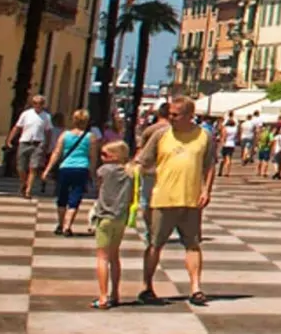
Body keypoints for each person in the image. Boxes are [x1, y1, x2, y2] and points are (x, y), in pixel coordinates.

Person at [137, 96, 216, 307]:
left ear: (190, 116)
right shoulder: (161, 134)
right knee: (155, 244)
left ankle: (196, 288)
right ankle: (147, 286)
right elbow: (143, 161)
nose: (170, 118)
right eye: (170, 113)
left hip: (191, 199)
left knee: (192, 244)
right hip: (163, 198)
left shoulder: (204, 136)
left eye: (175, 114)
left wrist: (206, 190)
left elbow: (209, 165)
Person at [89, 139, 135, 310]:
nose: (101, 157)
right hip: (121, 218)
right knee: (115, 257)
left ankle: (102, 296)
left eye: (105, 154)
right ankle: (115, 293)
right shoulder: (130, 172)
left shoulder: (104, 170)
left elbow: (98, 185)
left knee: (102, 257)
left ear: (115, 156)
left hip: (105, 216)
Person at [45, 110, 101, 236]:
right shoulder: (90, 137)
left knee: (62, 197)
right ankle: (67, 226)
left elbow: (56, 153)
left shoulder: (65, 135)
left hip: (65, 168)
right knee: (75, 197)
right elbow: (93, 157)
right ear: (86, 121)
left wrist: (47, 169)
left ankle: (60, 224)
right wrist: (92, 174)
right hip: (82, 169)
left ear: (73, 120)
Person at [136, 101, 172, 246]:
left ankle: (149, 228)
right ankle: (159, 229)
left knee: (146, 201)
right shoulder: (172, 130)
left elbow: (140, 151)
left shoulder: (149, 130)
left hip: (149, 169)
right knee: (165, 201)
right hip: (167, 171)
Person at [7, 94, 54, 199]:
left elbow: (48, 131)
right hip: (24, 141)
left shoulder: (46, 116)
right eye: (35, 103)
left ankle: (28, 190)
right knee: (21, 167)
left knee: (33, 167)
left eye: (40, 103)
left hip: (38, 143)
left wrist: (48, 144)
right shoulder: (26, 114)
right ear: (32, 104)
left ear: (43, 105)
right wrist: (10, 139)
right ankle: (24, 183)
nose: (38, 105)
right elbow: (17, 127)